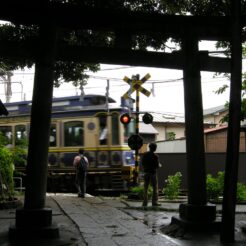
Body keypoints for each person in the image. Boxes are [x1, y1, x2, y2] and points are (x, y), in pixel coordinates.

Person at [141, 142, 161, 207]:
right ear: (155, 148)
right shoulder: (155, 156)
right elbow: (157, 166)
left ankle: (144, 203)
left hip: (146, 173)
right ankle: (154, 202)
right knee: (155, 188)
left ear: (149, 147)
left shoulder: (145, 154)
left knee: (145, 188)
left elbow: (142, 163)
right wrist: (159, 165)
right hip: (153, 173)